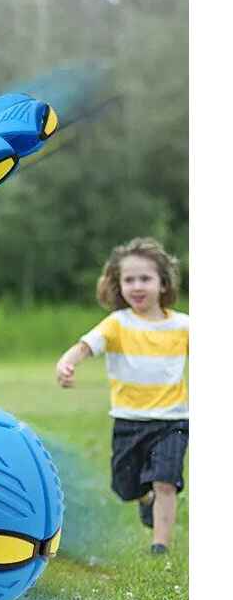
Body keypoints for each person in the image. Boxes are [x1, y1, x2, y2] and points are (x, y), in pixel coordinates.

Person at [55, 237, 188, 555]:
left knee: (166, 480)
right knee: (124, 486)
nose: (137, 286)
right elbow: (87, 345)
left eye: (146, 278)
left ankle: (160, 545)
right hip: (129, 421)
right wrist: (67, 361)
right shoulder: (117, 324)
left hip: (173, 419)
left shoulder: (184, 325)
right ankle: (145, 498)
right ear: (118, 285)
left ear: (163, 282)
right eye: (129, 279)